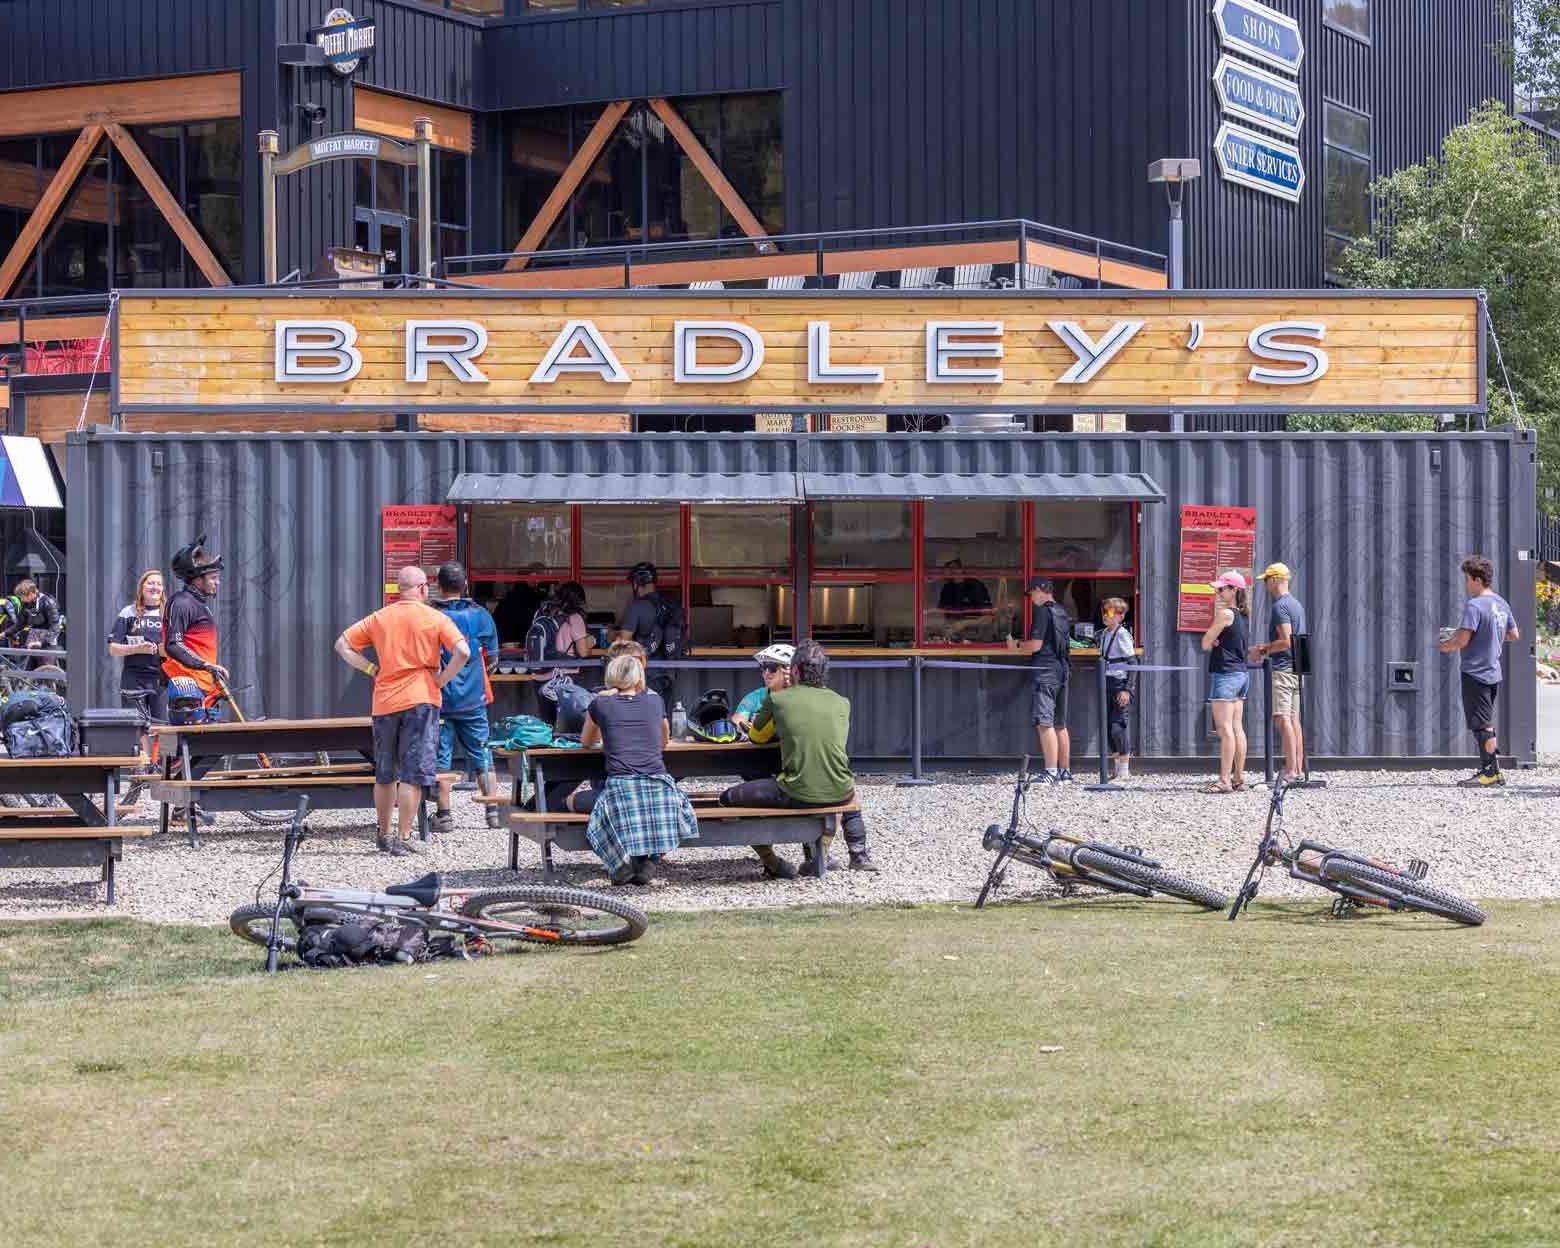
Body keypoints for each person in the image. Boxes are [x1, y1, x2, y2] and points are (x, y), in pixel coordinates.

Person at [335, 566, 469, 855]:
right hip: (422, 698)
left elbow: (342, 645)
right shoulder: (435, 617)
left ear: (399, 589)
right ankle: (405, 837)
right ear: (422, 589)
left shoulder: (380, 617)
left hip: (384, 701)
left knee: (385, 774)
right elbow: (463, 652)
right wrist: (442, 679)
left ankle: (383, 835)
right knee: (412, 773)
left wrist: (371, 668)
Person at [719, 639, 879, 875]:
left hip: (797, 789)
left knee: (727, 798)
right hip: (841, 789)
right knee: (847, 793)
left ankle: (772, 862)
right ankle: (855, 854)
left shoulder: (777, 700)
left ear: (793, 670)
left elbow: (757, 737)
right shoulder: (841, 702)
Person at [580, 652, 698, 886]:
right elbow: (664, 740)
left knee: (574, 800)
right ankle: (650, 860)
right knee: (648, 811)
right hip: (661, 789)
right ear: (638, 677)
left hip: (622, 789)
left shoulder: (600, 703)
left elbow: (585, 741)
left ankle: (618, 864)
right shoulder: (655, 701)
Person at [429, 562, 502, 833]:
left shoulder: (431, 615)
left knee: (442, 757)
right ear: (465, 586)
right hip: (474, 699)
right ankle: (493, 812)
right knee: (483, 752)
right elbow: (493, 659)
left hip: (440, 698)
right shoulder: (481, 615)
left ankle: (444, 816)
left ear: (438, 585)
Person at [1439, 554, 1519, 788]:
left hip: (1475, 671)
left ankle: (1489, 772)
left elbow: (1462, 640)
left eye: (1467, 580)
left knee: (1482, 724)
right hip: (1493, 671)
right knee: (1485, 722)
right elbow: (1514, 635)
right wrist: (1489, 635)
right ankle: (1492, 771)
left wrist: (1446, 645)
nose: (1466, 585)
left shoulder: (1474, 605)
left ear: (1476, 579)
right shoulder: (1501, 603)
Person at [728, 642, 797, 876]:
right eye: (763, 668)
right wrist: (745, 724)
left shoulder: (799, 698)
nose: (765, 673)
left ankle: (846, 853)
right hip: (760, 762)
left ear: (788, 670)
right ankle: (770, 858)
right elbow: (738, 718)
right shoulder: (757, 696)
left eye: (771, 668)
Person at [1008, 576, 1073, 784]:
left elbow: (1035, 645)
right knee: (1060, 724)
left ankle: (1050, 772)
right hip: (1062, 670)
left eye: (1032, 593)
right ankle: (1065, 772)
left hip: (1045, 671)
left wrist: (1016, 645)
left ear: (1041, 590)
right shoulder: (1062, 611)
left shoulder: (1043, 612)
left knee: (1044, 723)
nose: (1031, 598)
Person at [1247, 562, 1307, 782]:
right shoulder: (1296, 605)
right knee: (1293, 719)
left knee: (1282, 719)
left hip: (1283, 668)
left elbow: (1285, 641)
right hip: (1296, 668)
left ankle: (1291, 770)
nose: (1265, 585)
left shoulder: (1279, 607)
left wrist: (1262, 649)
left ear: (1274, 580)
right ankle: (1298, 768)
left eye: (1266, 581)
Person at [107, 569, 167, 758]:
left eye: (158, 583)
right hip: (134, 678)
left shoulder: (169, 613)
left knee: (161, 726)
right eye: (150, 583)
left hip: (162, 678)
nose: (154, 587)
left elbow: (178, 646)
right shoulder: (129, 612)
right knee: (136, 727)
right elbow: (113, 648)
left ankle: (158, 770)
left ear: (163, 589)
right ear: (142, 587)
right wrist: (136, 649)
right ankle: (140, 773)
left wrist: (160, 649)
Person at [1200, 570, 1250, 794]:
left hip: (1226, 675)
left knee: (1224, 729)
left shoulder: (1225, 614)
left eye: (1222, 589)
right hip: (1241, 674)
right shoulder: (1243, 614)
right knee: (1237, 727)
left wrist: (1214, 640)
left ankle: (1224, 780)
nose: (1219, 592)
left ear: (1234, 590)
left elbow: (1205, 642)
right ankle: (1239, 777)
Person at [1099, 597, 1136, 781]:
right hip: (1106, 682)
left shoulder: (1122, 635)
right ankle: (1116, 766)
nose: (1106, 615)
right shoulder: (1104, 633)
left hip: (1119, 684)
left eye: (1110, 612)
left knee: (1118, 726)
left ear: (1120, 616)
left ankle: (1124, 768)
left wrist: (1127, 689)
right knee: (1107, 727)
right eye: (1104, 611)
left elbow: (1132, 662)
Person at [13, 579, 61, 650]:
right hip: (33, 636)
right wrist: (5, 633)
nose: (21, 600)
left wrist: (42, 642)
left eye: (22, 597)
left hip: (48, 638)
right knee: (27, 659)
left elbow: (55, 626)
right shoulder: (27, 604)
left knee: (46, 659)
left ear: (31, 594)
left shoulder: (47, 602)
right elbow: (20, 624)